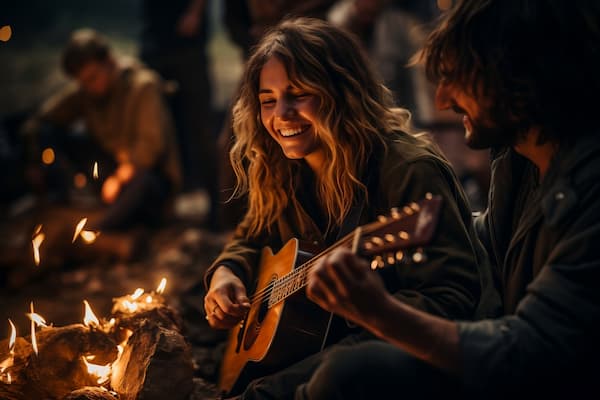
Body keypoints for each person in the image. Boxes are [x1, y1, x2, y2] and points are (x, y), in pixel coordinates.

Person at [302, 0, 600, 398]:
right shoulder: (517, 156)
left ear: (516, 76)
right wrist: (403, 233)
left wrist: (379, 312)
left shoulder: (591, 187)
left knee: (351, 374)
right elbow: (494, 242)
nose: (442, 99)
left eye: (460, 76)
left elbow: (530, 353)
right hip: (507, 355)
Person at [202, 17, 499, 399]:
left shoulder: (407, 168)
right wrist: (227, 272)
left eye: (299, 93)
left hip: (416, 357)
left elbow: (451, 296)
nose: (282, 114)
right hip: (330, 348)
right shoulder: (284, 168)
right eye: (268, 101)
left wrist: (370, 306)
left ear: (342, 92)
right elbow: (252, 235)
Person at [21, 28, 181, 258]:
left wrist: (119, 177)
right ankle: (65, 203)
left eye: (93, 78)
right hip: (112, 177)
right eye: (83, 82)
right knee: (53, 134)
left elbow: (150, 148)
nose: (89, 86)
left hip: (148, 184)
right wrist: (33, 159)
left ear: (109, 62)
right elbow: (41, 120)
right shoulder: (87, 92)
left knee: (143, 179)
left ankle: (96, 228)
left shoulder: (143, 86)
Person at [139, 0, 218, 228]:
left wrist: (194, 11)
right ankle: (163, 209)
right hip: (154, 43)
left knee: (201, 127)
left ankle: (216, 208)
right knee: (160, 130)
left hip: (188, 46)